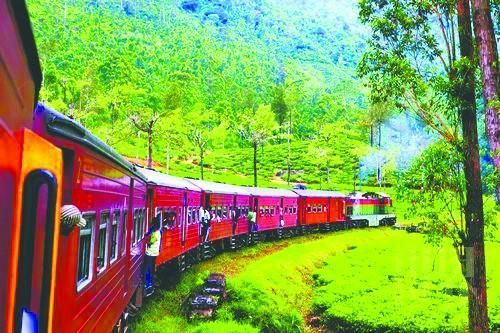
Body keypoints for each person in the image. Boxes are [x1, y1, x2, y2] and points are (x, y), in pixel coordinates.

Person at [144, 216, 161, 297]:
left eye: (152, 225)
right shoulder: (158, 232)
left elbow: (150, 242)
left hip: (150, 253)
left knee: (148, 270)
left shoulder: (155, 234)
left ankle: (148, 285)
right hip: (154, 253)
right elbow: (149, 232)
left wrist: (146, 239)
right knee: (150, 269)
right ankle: (149, 283)